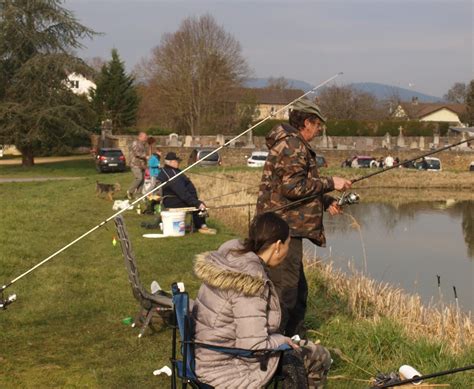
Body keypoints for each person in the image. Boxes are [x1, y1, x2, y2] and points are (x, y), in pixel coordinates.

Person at [193, 212, 332, 389]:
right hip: (227, 368)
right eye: (288, 245)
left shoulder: (232, 260)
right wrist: (281, 339)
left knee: (300, 349)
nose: (287, 251)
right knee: (318, 356)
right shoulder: (250, 283)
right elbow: (254, 346)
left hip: (209, 354)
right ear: (277, 245)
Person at [256, 98, 351, 337]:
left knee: (298, 291)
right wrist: (331, 183)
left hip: (285, 226)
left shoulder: (290, 142)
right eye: (317, 125)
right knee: (286, 291)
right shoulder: (293, 144)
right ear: (307, 122)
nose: (318, 131)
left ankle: (294, 340)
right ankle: (276, 343)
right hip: (283, 229)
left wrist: (325, 200)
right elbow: (292, 187)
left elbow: (291, 188)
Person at [158, 152, 216, 235]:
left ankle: (200, 224)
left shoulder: (171, 171)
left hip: (174, 198)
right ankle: (201, 226)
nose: (178, 163)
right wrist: (197, 203)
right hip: (173, 201)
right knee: (199, 205)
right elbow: (182, 193)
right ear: (171, 162)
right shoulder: (172, 174)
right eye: (177, 161)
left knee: (197, 203)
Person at [127, 132, 148, 199]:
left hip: (142, 165)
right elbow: (136, 153)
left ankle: (138, 195)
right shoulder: (135, 143)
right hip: (135, 164)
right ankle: (130, 191)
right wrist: (146, 156)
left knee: (142, 180)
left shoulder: (142, 144)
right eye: (145, 137)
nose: (146, 139)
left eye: (146, 137)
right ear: (140, 137)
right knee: (139, 178)